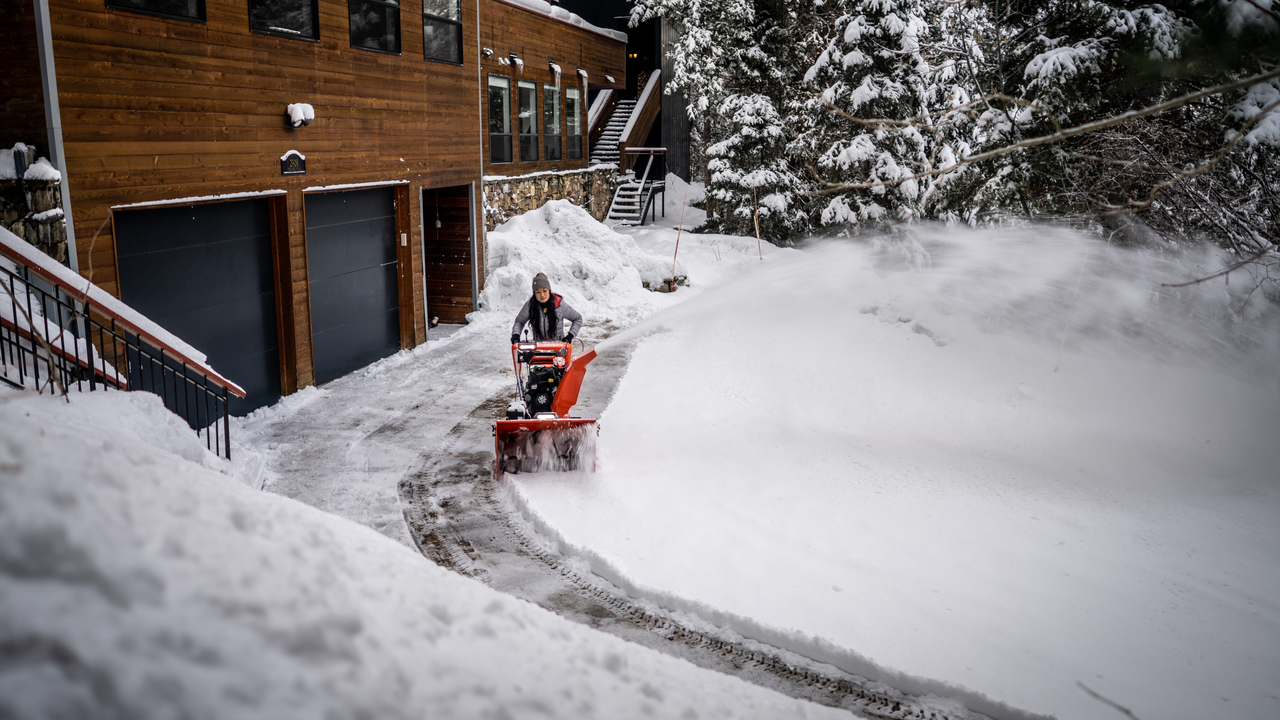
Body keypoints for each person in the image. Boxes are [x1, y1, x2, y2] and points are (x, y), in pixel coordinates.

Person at [511, 272, 582, 345]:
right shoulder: (530, 306)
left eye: (544, 291)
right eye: (538, 292)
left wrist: (570, 336)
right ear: (534, 293)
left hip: (558, 346)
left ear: (549, 290)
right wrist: (516, 335)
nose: (542, 295)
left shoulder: (559, 304)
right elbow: (519, 322)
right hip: (538, 347)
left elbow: (577, 318)